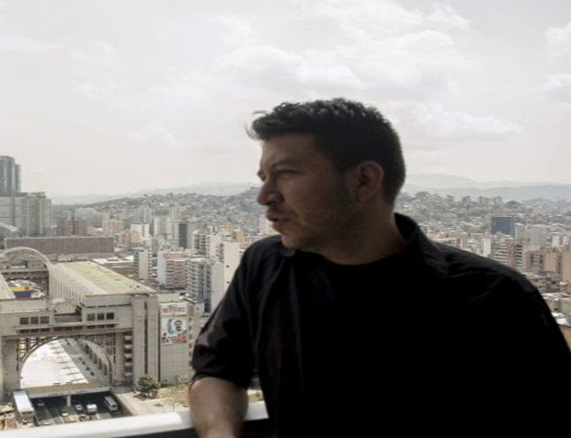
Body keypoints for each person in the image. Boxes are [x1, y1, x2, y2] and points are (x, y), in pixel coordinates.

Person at [188, 98, 571, 437]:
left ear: (364, 180)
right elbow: (218, 370)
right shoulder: (266, 265)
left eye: (286, 173)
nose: (264, 196)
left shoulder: (494, 297)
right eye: (263, 177)